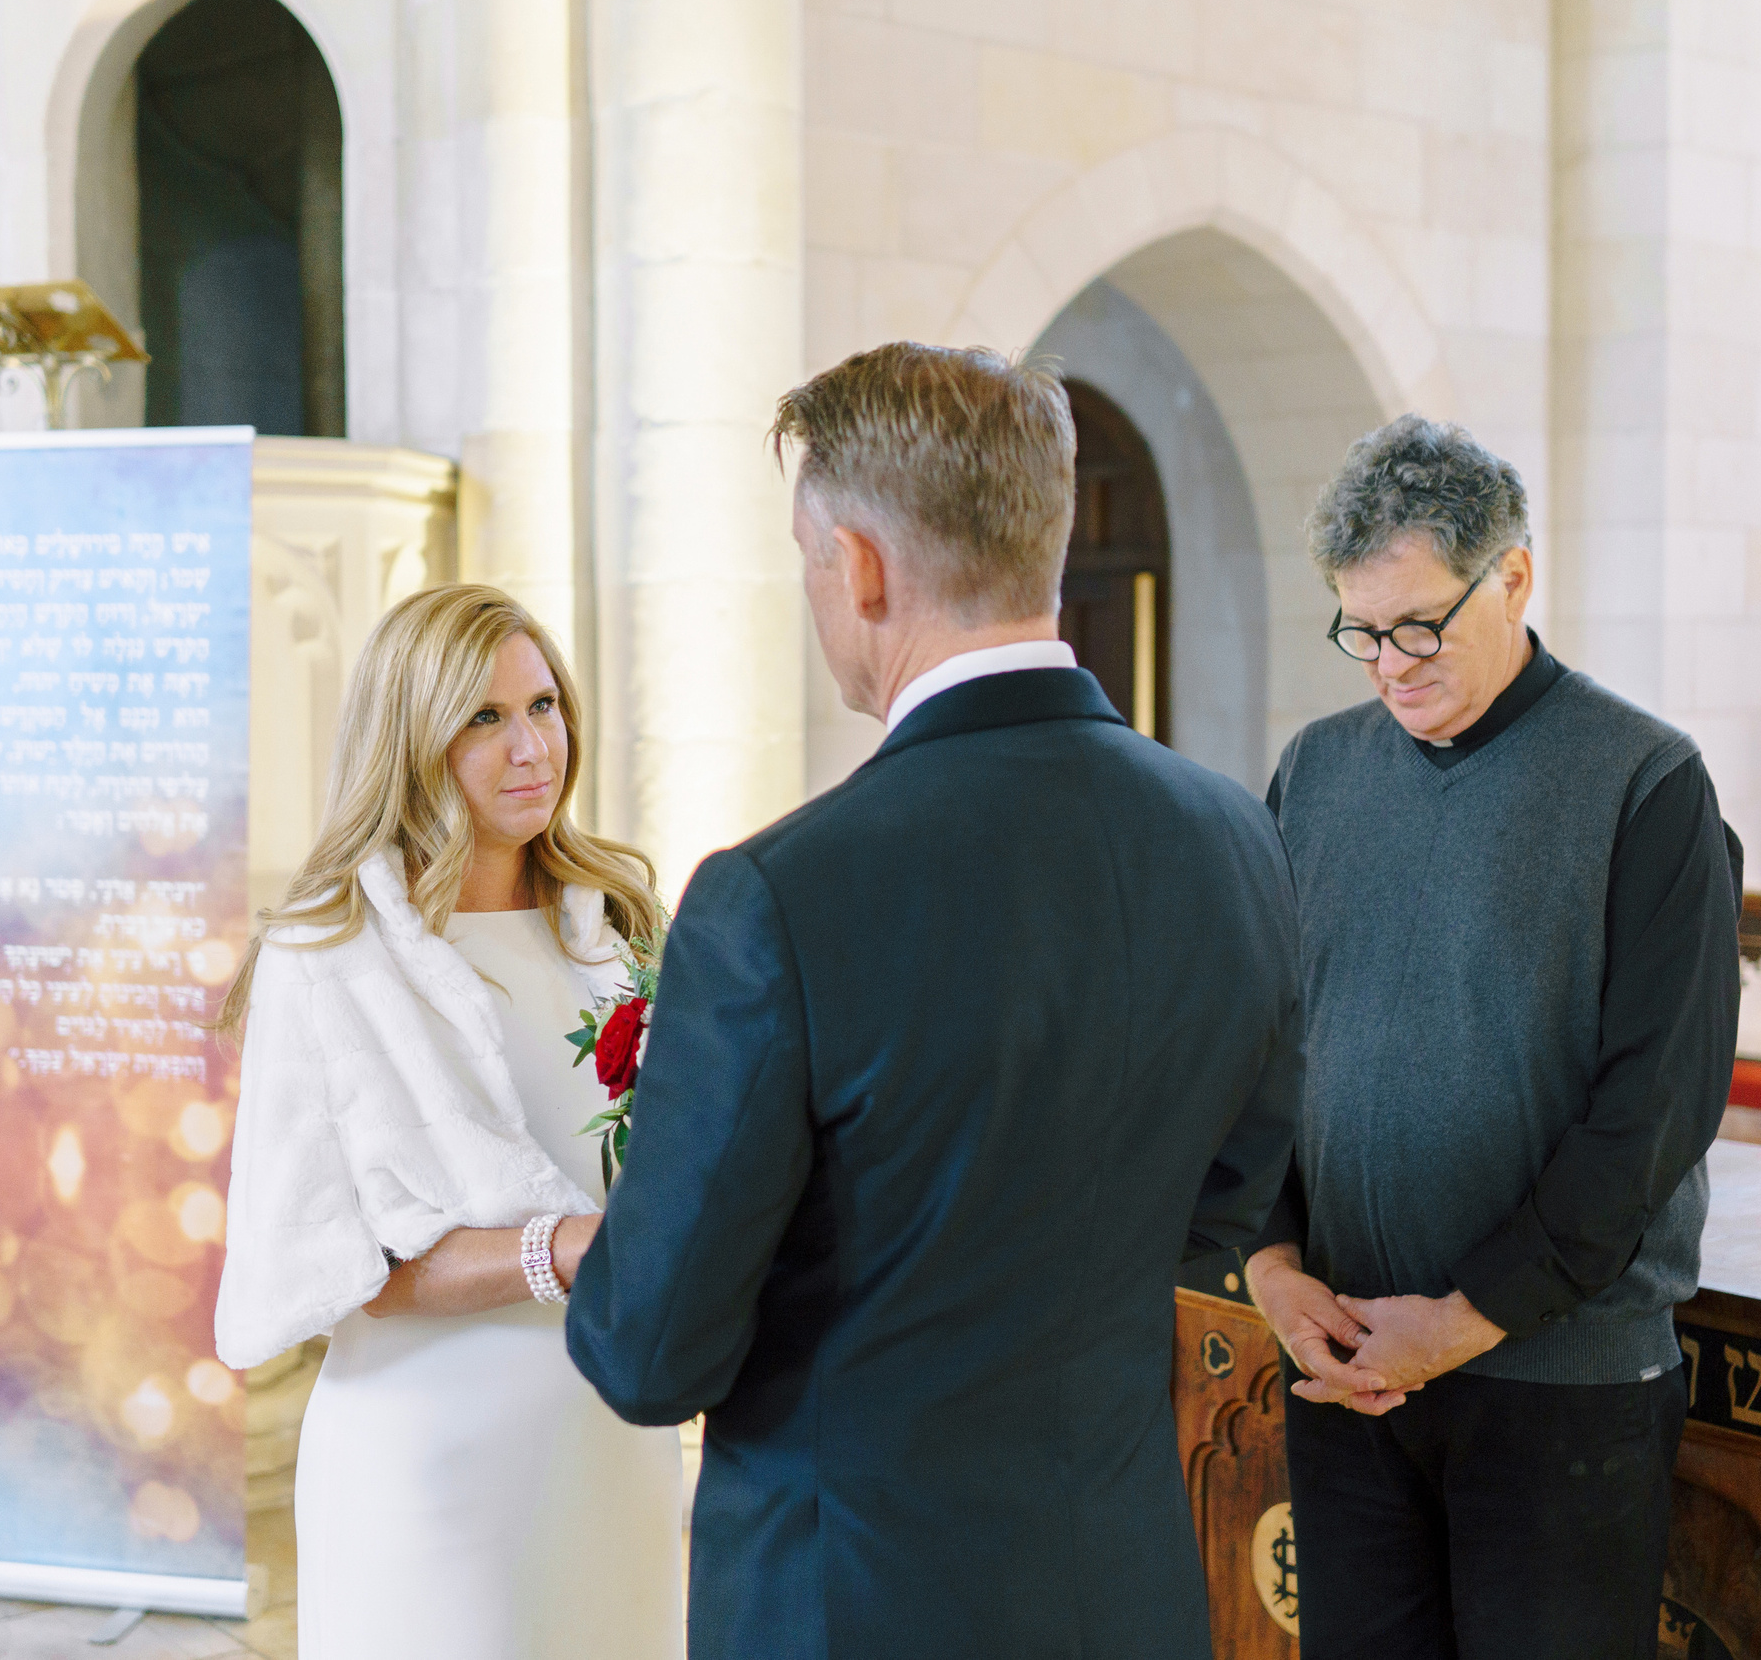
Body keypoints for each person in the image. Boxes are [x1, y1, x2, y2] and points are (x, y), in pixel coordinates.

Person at [564, 343, 1306, 1658]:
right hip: (1121, 1586)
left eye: (807, 561)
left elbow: (650, 1349)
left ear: (859, 566)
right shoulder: (1233, 837)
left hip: (854, 1601)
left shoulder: (778, 895)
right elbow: (1224, 1203)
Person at [1243, 415, 1741, 1657]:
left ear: (1511, 577)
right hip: (1350, 1369)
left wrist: (1466, 1316)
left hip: (1559, 1388)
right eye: (1360, 631)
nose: (1389, 666)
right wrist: (1271, 1261)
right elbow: (1261, 1044)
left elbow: (1655, 1110)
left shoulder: (1643, 780)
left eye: (1419, 625)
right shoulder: (1316, 770)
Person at [212, 585, 683, 1660]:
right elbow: (339, 1265)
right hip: (427, 1462)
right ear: (411, 740)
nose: (532, 747)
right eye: (484, 718)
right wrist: (573, 1246)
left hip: (613, 1442)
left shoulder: (618, 922)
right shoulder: (326, 955)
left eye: (543, 705)